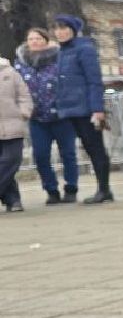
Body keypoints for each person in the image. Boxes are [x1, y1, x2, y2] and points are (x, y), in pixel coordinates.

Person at [52, 14, 113, 204]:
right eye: (57, 28)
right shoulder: (61, 52)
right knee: (89, 147)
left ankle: (104, 189)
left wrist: (97, 108)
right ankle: (103, 189)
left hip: (86, 108)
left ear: (73, 30)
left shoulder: (84, 49)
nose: (60, 32)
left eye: (64, 28)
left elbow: (94, 81)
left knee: (95, 148)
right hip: (70, 108)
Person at [14, 28, 77, 205]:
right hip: (37, 118)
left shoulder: (60, 59)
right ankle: (51, 190)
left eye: (38, 38)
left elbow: (70, 83)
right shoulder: (20, 63)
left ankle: (71, 188)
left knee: (68, 154)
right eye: (30, 38)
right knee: (41, 155)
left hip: (62, 116)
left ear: (46, 40)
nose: (34, 41)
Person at [0, 53, 34, 213]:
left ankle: (13, 200)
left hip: (13, 124)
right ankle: (13, 200)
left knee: (11, 160)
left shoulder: (11, 73)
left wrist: (24, 112)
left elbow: (24, 95)